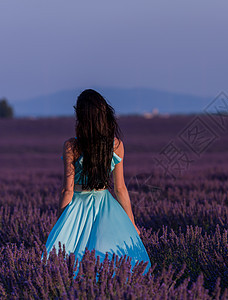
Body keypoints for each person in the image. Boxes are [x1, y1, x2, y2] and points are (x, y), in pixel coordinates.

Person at [43, 89, 151, 278]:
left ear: (81, 117)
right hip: (106, 206)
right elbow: (120, 188)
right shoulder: (116, 145)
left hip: (77, 205)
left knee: (69, 262)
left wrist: (60, 221)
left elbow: (67, 190)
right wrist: (131, 223)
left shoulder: (72, 147)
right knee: (113, 261)